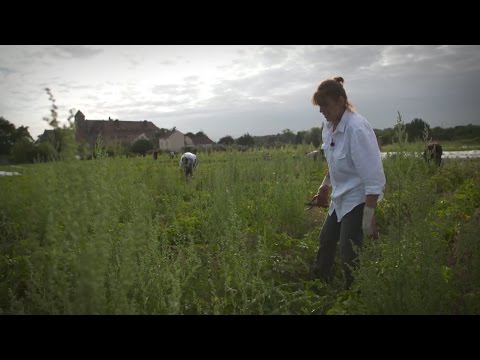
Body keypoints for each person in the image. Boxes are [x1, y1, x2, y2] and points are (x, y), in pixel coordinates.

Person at [309, 76, 386, 290]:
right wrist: (324, 188)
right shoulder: (329, 126)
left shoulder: (357, 129)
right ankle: (319, 286)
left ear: (341, 101)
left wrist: (368, 218)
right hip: (340, 196)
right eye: (320, 106)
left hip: (359, 197)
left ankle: (356, 294)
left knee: (349, 248)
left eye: (325, 105)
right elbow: (335, 162)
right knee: (326, 240)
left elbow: (373, 179)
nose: (322, 110)